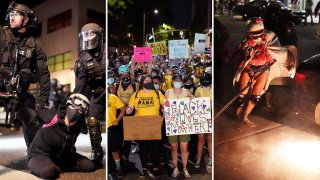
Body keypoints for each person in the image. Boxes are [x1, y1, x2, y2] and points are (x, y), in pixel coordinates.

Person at [0, 1, 50, 148]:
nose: (12, 17)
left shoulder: (34, 45)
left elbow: (44, 75)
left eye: (17, 14)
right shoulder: (2, 35)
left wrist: (43, 100)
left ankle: (34, 154)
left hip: (18, 93)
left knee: (32, 120)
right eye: (11, 14)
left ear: (26, 19)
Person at [233, 17, 296, 127]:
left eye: (259, 33)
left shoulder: (270, 36)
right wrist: (247, 47)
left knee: (256, 95)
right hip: (249, 68)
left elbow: (279, 51)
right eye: (254, 34)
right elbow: (242, 56)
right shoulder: (246, 41)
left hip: (263, 68)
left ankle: (245, 116)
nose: (257, 36)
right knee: (242, 93)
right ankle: (240, 104)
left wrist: (288, 64)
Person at [28, 93, 96, 179]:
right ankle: (53, 167)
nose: (76, 111)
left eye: (80, 110)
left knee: (91, 166)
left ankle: (57, 166)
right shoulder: (52, 116)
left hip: (63, 157)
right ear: (67, 106)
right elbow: (33, 115)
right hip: (40, 154)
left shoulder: (77, 126)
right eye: (73, 107)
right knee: (48, 172)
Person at [73, 23, 105, 163]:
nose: (88, 39)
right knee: (92, 121)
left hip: (113, 93)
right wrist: (72, 103)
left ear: (99, 35)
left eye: (91, 34)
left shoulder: (107, 53)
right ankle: (97, 150)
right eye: (85, 36)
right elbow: (80, 86)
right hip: (96, 95)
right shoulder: (82, 60)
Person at [126, 75, 165, 178]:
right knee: (143, 149)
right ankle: (144, 167)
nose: (149, 82)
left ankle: (156, 168)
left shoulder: (158, 93)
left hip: (154, 126)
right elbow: (131, 106)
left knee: (155, 149)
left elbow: (166, 107)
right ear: (142, 82)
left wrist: (163, 118)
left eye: (150, 80)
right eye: (147, 80)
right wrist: (129, 109)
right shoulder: (136, 94)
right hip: (141, 126)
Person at [165, 74, 193, 178]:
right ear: (172, 82)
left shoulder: (186, 91)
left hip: (184, 123)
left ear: (182, 82)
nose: (177, 82)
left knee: (184, 148)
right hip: (172, 124)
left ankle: (185, 168)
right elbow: (164, 107)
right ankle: (176, 168)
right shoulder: (168, 92)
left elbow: (195, 103)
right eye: (175, 80)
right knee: (174, 147)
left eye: (179, 80)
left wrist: (192, 98)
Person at [194, 72, 212, 169]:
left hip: (210, 115)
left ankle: (210, 157)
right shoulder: (198, 89)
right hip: (200, 116)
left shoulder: (213, 89)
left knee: (209, 138)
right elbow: (195, 101)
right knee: (200, 139)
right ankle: (199, 158)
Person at [108, 92, 126, 177]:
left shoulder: (113, 97)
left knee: (114, 150)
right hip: (101, 126)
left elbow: (123, 109)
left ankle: (119, 168)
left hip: (112, 127)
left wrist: (117, 120)